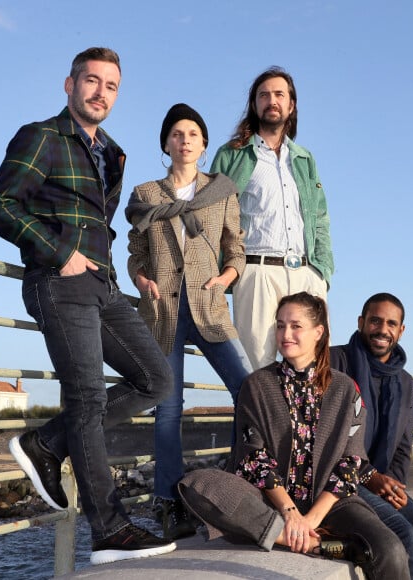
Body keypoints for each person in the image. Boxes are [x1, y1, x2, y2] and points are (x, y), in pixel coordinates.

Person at [0, 47, 177, 565]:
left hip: (104, 284)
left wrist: (106, 268)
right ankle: (110, 531)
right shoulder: (42, 136)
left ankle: (47, 442)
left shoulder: (112, 152)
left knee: (157, 380)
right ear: (69, 86)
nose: (100, 93)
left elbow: (102, 221)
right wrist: (60, 253)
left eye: (111, 86)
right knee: (88, 398)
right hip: (59, 280)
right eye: (91, 81)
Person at [179, 292, 410, 579]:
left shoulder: (346, 390)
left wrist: (311, 518)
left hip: (331, 504)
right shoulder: (257, 385)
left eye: (295, 326)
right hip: (270, 503)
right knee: (197, 484)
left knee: (390, 548)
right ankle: (313, 543)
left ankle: (298, 534)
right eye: (280, 325)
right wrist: (291, 515)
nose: (285, 334)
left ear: (318, 332)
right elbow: (253, 457)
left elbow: (352, 463)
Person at [126, 103, 253, 541]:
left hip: (209, 305)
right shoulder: (145, 195)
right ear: (166, 143)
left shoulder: (221, 192)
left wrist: (225, 278)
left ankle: (241, 480)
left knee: (249, 391)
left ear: (203, 143)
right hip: (162, 311)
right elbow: (135, 253)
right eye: (177, 134)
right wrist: (142, 279)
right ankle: (170, 503)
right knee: (168, 407)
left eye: (193, 134)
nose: (185, 140)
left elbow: (235, 249)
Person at [210, 67, 334, 370]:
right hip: (256, 272)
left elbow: (320, 217)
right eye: (264, 95)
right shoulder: (231, 155)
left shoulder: (305, 158)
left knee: (312, 371)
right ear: (255, 104)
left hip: (306, 273)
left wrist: (323, 274)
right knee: (257, 372)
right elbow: (211, 217)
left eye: (279, 94)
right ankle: (259, 420)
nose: (272, 100)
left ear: (291, 105)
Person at [330, 293, 413, 580]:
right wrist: (369, 477)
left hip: (380, 482)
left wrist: (393, 486)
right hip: (342, 480)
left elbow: (403, 447)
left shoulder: (405, 382)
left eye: (391, 323)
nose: (382, 330)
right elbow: (328, 440)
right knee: (406, 537)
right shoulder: (335, 363)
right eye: (375, 321)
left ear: (401, 330)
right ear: (361, 322)